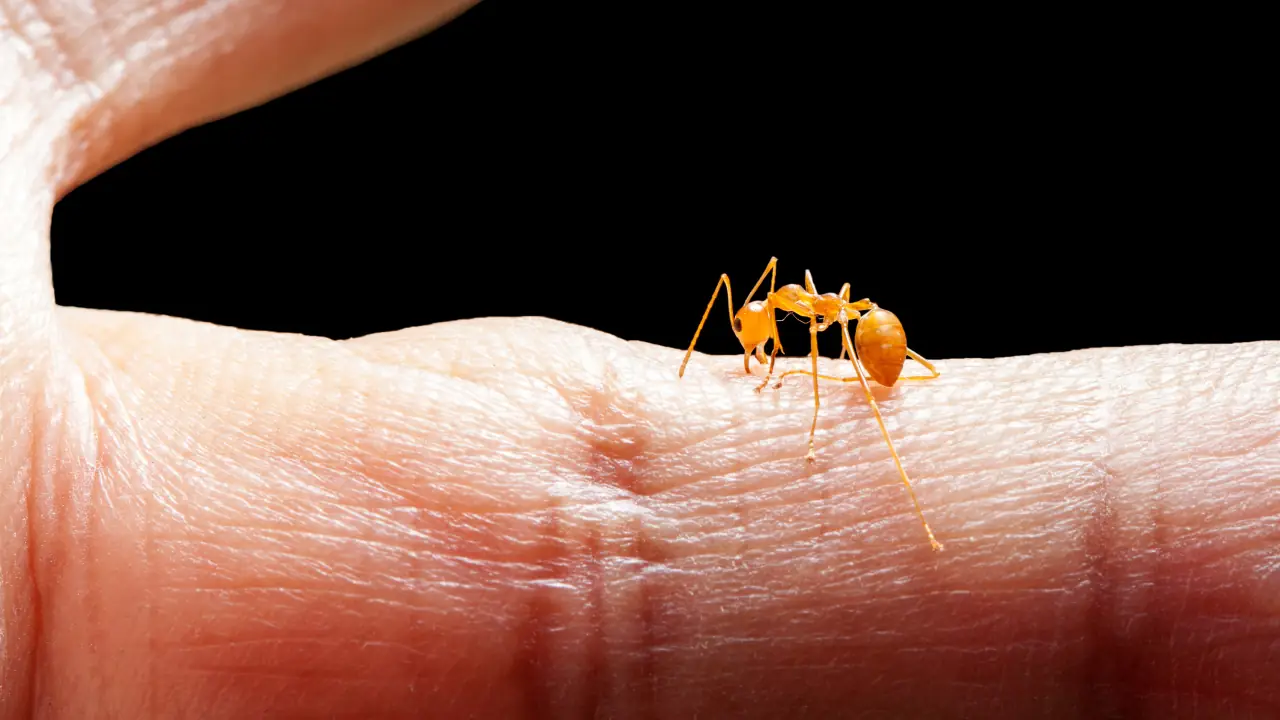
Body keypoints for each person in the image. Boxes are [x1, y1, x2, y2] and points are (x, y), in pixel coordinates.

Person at [2, 2, 1277, 717]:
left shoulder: (825, 327)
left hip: (874, 348)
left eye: (760, 326)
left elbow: (819, 330)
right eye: (759, 328)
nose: (753, 330)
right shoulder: (794, 315)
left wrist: (808, 365)